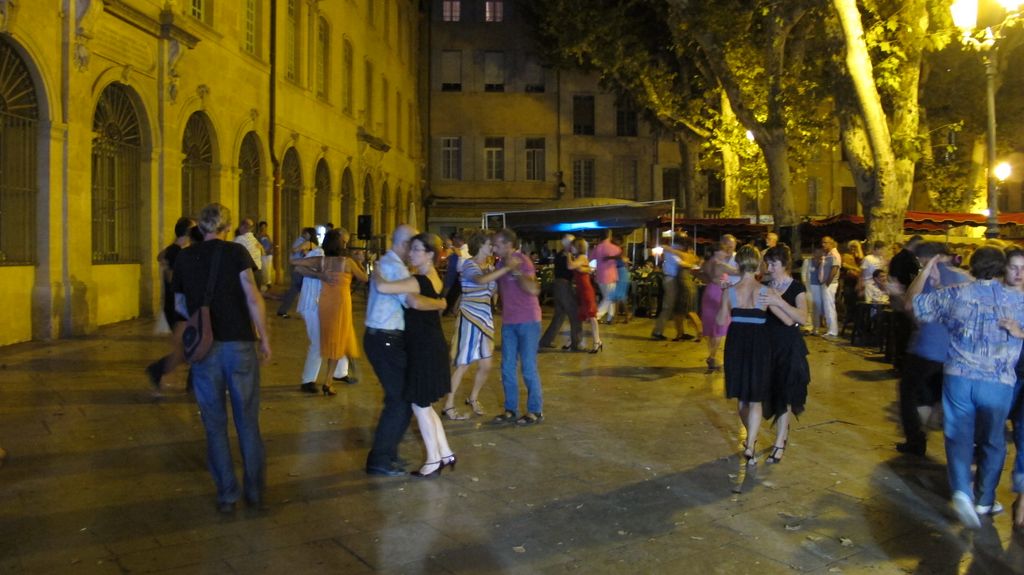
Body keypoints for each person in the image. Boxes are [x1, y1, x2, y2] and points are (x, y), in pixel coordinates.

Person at [908, 246, 1024, 529]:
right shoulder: (1018, 301)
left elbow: (913, 303)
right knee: (993, 442)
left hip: (959, 377)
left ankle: (961, 489)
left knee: (959, 436)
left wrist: (925, 271)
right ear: (1001, 269)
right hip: (997, 383)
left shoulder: (956, 293)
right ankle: (984, 499)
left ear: (972, 266)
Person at [172, 203, 271, 513]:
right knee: (247, 421)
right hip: (240, 343)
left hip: (205, 349)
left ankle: (227, 494)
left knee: (214, 424)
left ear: (200, 228)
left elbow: (178, 303)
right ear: (227, 228)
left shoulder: (185, 257)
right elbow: (252, 295)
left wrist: (199, 324)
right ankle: (254, 492)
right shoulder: (236, 253)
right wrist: (265, 336)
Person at [364, 225, 447, 477]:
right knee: (400, 400)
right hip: (386, 340)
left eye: (417, 248)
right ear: (403, 245)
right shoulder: (398, 269)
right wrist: (442, 303)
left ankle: (389, 455)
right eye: (411, 246)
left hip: (384, 339)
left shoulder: (391, 265)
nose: (412, 252)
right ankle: (380, 458)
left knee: (401, 399)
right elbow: (413, 301)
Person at [895, 242, 969, 457]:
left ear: (924, 259)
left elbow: (910, 306)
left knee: (909, 392)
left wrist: (921, 275)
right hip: (953, 352)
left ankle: (915, 440)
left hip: (926, 348)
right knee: (932, 394)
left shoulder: (927, 276)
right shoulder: (964, 277)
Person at [444, 230, 510, 419]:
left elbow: (493, 289)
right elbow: (479, 280)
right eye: (491, 244)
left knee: (486, 364)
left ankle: (473, 398)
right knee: (463, 364)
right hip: (470, 318)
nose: (493, 247)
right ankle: (448, 405)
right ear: (480, 244)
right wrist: (504, 269)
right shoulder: (469, 265)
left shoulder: (489, 266)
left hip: (485, 319)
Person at [718, 245, 771, 464]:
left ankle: (750, 439)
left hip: (737, 342)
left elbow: (721, 321)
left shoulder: (730, 291)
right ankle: (750, 443)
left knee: (742, 398)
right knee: (756, 397)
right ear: (758, 264)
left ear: (738, 265)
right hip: (759, 342)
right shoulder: (766, 291)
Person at [761, 245, 810, 464]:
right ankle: (778, 431)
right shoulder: (763, 285)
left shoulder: (796, 287)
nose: (769, 267)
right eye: (767, 262)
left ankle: (780, 440)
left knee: (785, 393)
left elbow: (802, 318)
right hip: (767, 345)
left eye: (773, 263)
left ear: (785, 264)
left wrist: (778, 301)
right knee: (768, 393)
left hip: (789, 346)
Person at [491, 228, 545, 425]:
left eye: (496, 244)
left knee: (528, 367)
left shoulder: (522, 261)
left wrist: (515, 271)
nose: (494, 247)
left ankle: (535, 410)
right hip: (509, 321)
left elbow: (533, 289)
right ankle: (510, 409)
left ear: (507, 244)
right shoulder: (499, 263)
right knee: (506, 367)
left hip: (528, 320)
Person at [314, 229, 368, 396]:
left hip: (325, 303)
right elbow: (364, 278)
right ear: (340, 244)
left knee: (334, 340)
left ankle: (334, 376)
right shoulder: (347, 262)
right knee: (338, 341)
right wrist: (360, 261)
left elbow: (297, 265)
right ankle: (328, 381)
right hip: (340, 305)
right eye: (345, 242)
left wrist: (319, 275)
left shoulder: (323, 261)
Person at [146, 216, 195, 390]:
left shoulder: (174, 250)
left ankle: (192, 381)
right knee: (186, 347)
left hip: (176, 305)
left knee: (192, 345)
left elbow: (160, 257)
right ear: (188, 232)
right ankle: (158, 369)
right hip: (178, 307)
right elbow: (173, 279)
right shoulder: (178, 253)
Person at [539, 234, 582, 352]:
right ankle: (576, 344)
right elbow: (571, 269)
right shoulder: (566, 255)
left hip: (558, 285)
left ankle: (546, 341)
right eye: (573, 243)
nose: (575, 245)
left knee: (559, 315)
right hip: (564, 285)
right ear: (568, 244)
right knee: (574, 314)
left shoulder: (560, 254)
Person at [699, 242, 737, 371]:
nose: (726, 253)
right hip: (718, 294)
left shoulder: (707, 263)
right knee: (719, 327)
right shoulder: (720, 265)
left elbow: (701, 274)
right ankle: (712, 356)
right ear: (717, 252)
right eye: (723, 251)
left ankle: (712, 356)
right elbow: (739, 272)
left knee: (711, 327)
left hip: (709, 292)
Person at [568, 237, 602, 353]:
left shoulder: (582, 257)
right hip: (582, 290)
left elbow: (571, 266)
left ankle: (597, 341)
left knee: (591, 316)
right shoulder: (579, 258)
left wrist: (567, 253)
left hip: (586, 290)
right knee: (582, 316)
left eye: (572, 246)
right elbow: (581, 269)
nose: (571, 248)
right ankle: (576, 340)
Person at [277, 227, 319, 318]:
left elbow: (297, 251)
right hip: (302, 269)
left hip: (303, 268)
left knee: (299, 290)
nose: (304, 235)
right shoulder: (305, 242)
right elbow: (295, 250)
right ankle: (283, 309)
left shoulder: (308, 243)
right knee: (298, 290)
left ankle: (284, 309)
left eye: (306, 233)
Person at [592, 229, 623, 324]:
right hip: (610, 276)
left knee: (607, 297)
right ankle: (596, 315)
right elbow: (620, 256)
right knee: (609, 298)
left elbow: (590, 257)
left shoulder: (597, 247)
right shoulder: (614, 248)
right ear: (609, 235)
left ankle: (610, 317)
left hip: (600, 276)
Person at [817, 236, 841, 338]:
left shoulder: (834, 254)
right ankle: (830, 329)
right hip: (827, 283)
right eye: (822, 242)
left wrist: (827, 283)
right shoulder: (828, 254)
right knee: (827, 307)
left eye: (825, 243)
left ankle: (832, 331)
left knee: (829, 307)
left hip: (829, 284)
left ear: (831, 244)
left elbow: (834, 269)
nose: (823, 245)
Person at [234, 218, 264, 284]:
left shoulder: (239, 239)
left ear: (242, 227)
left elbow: (232, 256)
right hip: (258, 273)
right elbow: (262, 253)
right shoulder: (255, 240)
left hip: (247, 274)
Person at [256, 221, 274, 290]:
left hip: (269, 254)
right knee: (264, 268)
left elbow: (271, 244)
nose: (263, 228)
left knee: (268, 268)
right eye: (262, 227)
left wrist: (270, 249)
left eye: (265, 227)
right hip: (263, 254)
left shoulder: (267, 235)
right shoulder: (258, 235)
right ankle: (264, 282)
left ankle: (268, 282)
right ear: (260, 227)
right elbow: (258, 245)